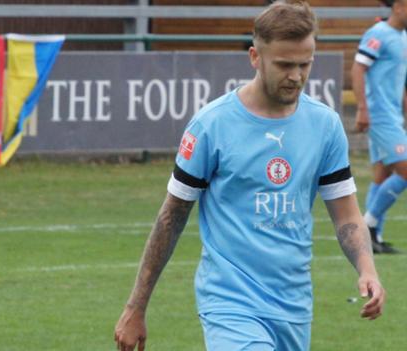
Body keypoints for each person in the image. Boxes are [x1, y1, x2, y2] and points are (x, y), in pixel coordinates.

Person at [114, 1, 385, 350]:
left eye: (305, 64)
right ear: (255, 57)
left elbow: (346, 214)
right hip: (229, 302)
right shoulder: (212, 125)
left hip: (294, 305)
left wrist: (367, 269)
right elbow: (171, 215)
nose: (297, 75)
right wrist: (136, 306)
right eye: (285, 65)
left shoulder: (326, 126)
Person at [351, 0, 407, 254]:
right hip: (379, 114)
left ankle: (374, 238)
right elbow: (358, 68)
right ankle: (366, 225)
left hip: (392, 115)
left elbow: (398, 78)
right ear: (399, 6)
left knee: (382, 176)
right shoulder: (378, 33)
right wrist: (362, 108)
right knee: (405, 170)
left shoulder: (402, 36)